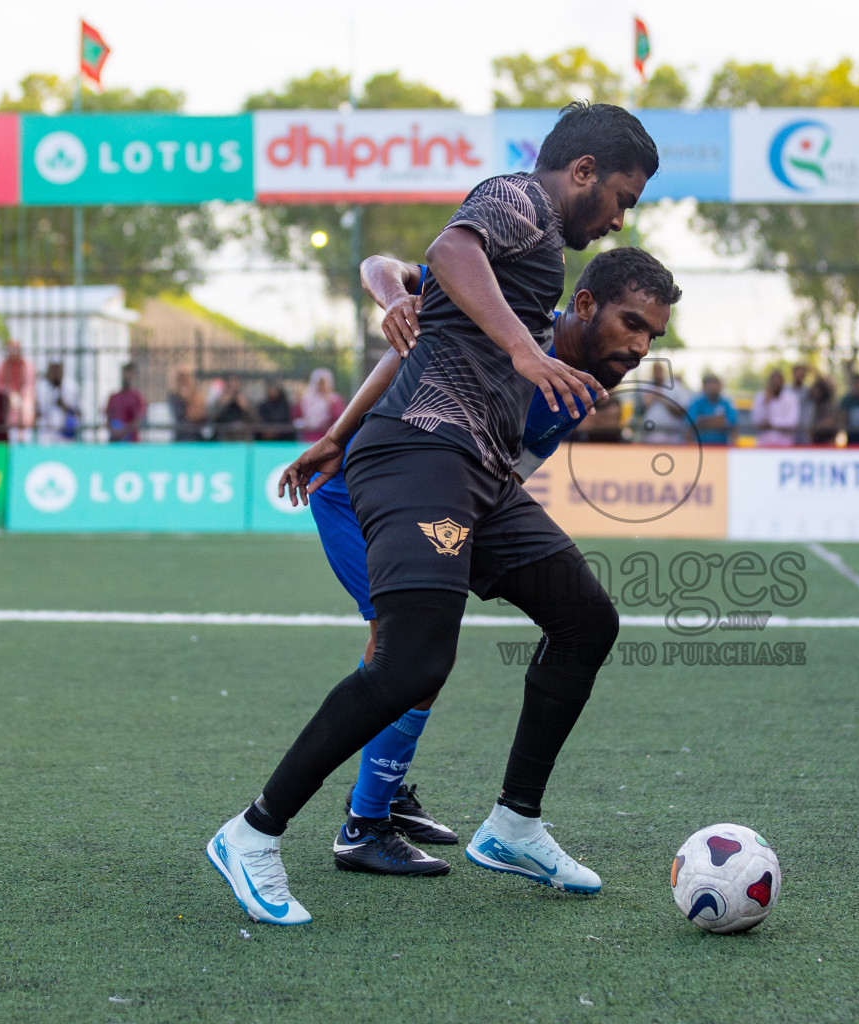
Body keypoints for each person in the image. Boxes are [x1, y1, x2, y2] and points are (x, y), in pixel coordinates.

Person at [206, 100, 658, 926]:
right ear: (583, 171)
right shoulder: (522, 199)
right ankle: (254, 832)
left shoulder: (541, 260)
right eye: (621, 196)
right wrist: (524, 349)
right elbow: (445, 250)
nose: (621, 216)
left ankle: (514, 825)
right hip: (420, 457)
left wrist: (336, 432)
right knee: (413, 662)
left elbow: (419, 332)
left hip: (475, 478)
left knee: (588, 620)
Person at [276, 246, 681, 877]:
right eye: (632, 323)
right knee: (406, 650)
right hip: (360, 492)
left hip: (451, 497)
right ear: (582, 305)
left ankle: (387, 793)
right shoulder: (514, 326)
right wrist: (395, 304)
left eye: (652, 335)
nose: (641, 346)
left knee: (452, 647)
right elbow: (386, 270)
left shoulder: (588, 381)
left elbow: (500, 463)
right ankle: (363, 824)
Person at [634, 361, 692, 445]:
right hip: (650, 434)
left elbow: (683, 412)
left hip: (672, 434)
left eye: (659, 369)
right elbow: (637, 413)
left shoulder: (676, 386)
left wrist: (664, 400)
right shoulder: (644, 387)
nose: (657, 372)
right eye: (655, 369)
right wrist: (646, 405)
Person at [0, 340, 36, 443]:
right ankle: (13, 439)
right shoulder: (2, 366)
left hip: (24, 399)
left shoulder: (27, 366)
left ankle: (25, 437)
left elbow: (29, 386)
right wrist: (10, 394)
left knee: (27, 405)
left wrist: (21, 397)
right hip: (6, 399)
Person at [750, 369, 798, 446]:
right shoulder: (761, 396)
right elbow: (756, 420)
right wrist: (765, 403)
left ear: (783, 382)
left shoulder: (790, 398)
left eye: (778, 380)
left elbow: (792, 422)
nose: (776, 383)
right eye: (773, 380)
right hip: (765, 443)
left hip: (784, 444)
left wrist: (772, 424)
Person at [35, 361, 78, 444]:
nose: (56, 372)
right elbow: (38, 410)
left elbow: (79, 411)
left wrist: (64, 405)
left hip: (66, 434)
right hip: (46, 434)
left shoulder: (71, 386)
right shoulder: (41, 386)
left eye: (58, 368)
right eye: (53, 368)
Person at [296, 368, 344, 442]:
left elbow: (338, 418)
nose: (321, 385)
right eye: (319, 382)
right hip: (308, 436)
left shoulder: (335, 400)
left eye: (323, 382)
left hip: (327, 437)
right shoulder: (307, 399)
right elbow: (298, 416)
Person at [689, 374, 737, 445]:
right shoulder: (696, 402)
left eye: (716, 384)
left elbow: (732, 425)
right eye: (710, 384)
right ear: (704, 386)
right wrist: (718, 421)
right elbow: (690, 426)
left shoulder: (726, 403)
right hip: (700, 446)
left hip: (722, 447)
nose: (714, 387)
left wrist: (704, 422)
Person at [105, 364, 145, 443]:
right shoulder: (113, 397)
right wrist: (115, 432)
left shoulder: (137, 397)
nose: (126, 377)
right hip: (114, 443)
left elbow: (138, 421)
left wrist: (123, 431)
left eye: (130, 374)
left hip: (131, 444)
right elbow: (108, 419)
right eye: (125, 374)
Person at [168, 369, 209, 442]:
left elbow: (203, 416)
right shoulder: (174, 396)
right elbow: (180, 414)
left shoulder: (197, 394)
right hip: (181, 435)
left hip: (197, 435)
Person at [212, 375, 255, 442]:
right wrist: (222, 405)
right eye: (230, 385)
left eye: (235, 385)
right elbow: (214, 419)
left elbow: (254, 419)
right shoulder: (220, 400)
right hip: (225, 434)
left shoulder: (245, 399)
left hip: (242, 435)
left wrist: (245, 407)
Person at [808, 375, 839, 445]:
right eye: (815, 391)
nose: (816, 393)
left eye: (818, 391)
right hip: (814, 440)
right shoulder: (811, 405)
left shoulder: (829, 405)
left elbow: (832, 422)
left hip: (828, 439)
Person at [787, 364, 814, 444]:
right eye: (798, 373)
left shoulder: (808, 392)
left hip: (803, 431)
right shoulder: (785, 390)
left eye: (802, 374)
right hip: (786, 432)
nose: (799, 376)